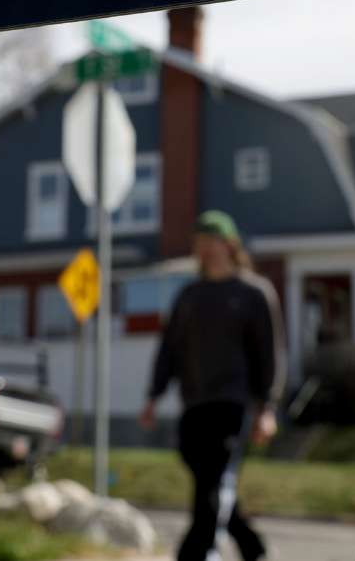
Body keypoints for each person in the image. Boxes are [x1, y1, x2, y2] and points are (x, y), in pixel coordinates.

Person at [140, 211, 285, 561]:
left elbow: (269, 354)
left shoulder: (253, 293)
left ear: (230, 245)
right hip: (195, 401)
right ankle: (250, 544)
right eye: (199, 242)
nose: (204, 248)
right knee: (208, 477)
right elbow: (169, 348)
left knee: (215, 478)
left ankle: (197, 552)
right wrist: (153, 395)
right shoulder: (189, 296)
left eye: (211, 241)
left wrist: (267, 407)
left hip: (233, 402)